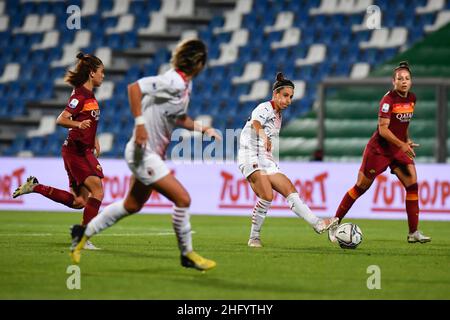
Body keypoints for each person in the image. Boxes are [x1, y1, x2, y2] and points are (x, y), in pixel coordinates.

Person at [70, 39, 219, 271]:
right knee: (183, 199)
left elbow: (178, 118)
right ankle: (187, 254)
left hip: (149, 153)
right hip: (144, 153)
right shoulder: (174, 81)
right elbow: (134, 88)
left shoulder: (184, 85)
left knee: (132, 204)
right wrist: (140, 124)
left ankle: (82, 233)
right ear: (198, 63)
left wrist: (203, 128)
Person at [328, 61, 431, 244]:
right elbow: (383, 130)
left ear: (411, 81)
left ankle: (413, 232)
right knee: (361, 187)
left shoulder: (412, 98)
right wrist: (401, 144)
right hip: (379, 150)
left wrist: (405, 140)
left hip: (398, 149)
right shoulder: (388, 101)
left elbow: (402, 125)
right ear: (393, 81)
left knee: (412, 184)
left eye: (407, 78)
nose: (404, 81)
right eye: (400, 79)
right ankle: (335, 223)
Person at [13, 52, 105, 250]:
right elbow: (61, 119)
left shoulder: (88, 95)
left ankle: (35, 187)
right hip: (77, 152)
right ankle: (82, 238)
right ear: (91, 73)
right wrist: (78, 125)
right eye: (101, 72)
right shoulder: (80, 95)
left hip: (81, 150)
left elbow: (89, 120)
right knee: (97, 190)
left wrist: (94, 138)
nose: (103, 76)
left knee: (79, 201)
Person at [237, 72, 339, 248]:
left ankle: (318, 224)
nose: (288, 100)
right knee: (267, 195)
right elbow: (256, 123)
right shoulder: (265, 107)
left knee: (290, 189)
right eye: (285, 96)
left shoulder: (278, 115)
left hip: (266, 160)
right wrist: (263, 137)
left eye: (291, 97)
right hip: (249, 155)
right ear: (275, 94)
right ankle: (254, 237)